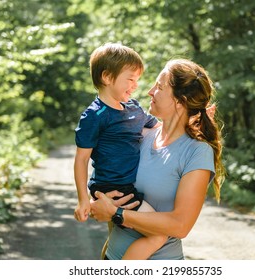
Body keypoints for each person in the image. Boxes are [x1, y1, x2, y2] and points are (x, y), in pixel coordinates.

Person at [89, 58, 224, 260]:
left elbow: (180, 225)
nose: (150, 91)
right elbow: (105, 174)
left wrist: (116, 214)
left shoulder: (197, 152)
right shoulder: (140, 134)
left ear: (181, 101)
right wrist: (98, 201)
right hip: (111, 256)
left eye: (159, 87)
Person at [73, 43, 167, 260]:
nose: (135, 85)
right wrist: (82, 200)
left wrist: (193, 120)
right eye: (130, 79)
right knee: (159, 234)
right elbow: (81, 159)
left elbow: (160, 128)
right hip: (113, 188)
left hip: (130, 184)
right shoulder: (95, 116)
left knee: (120, 239)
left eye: (137, 80)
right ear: (107, 77)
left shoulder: (133, 107)